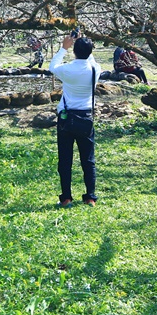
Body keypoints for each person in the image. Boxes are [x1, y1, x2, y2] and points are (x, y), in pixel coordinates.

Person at [49, 34, 101, 207]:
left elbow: (52, 66)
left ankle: (66, 197)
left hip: (66, 118)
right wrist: (84, 45)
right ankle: (90, 197)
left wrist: (64, 47)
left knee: (65, 159)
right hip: (86, 117)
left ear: (74, 52)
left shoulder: (68, 70)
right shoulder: (95, 70)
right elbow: (90, 59)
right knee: (88, 159)